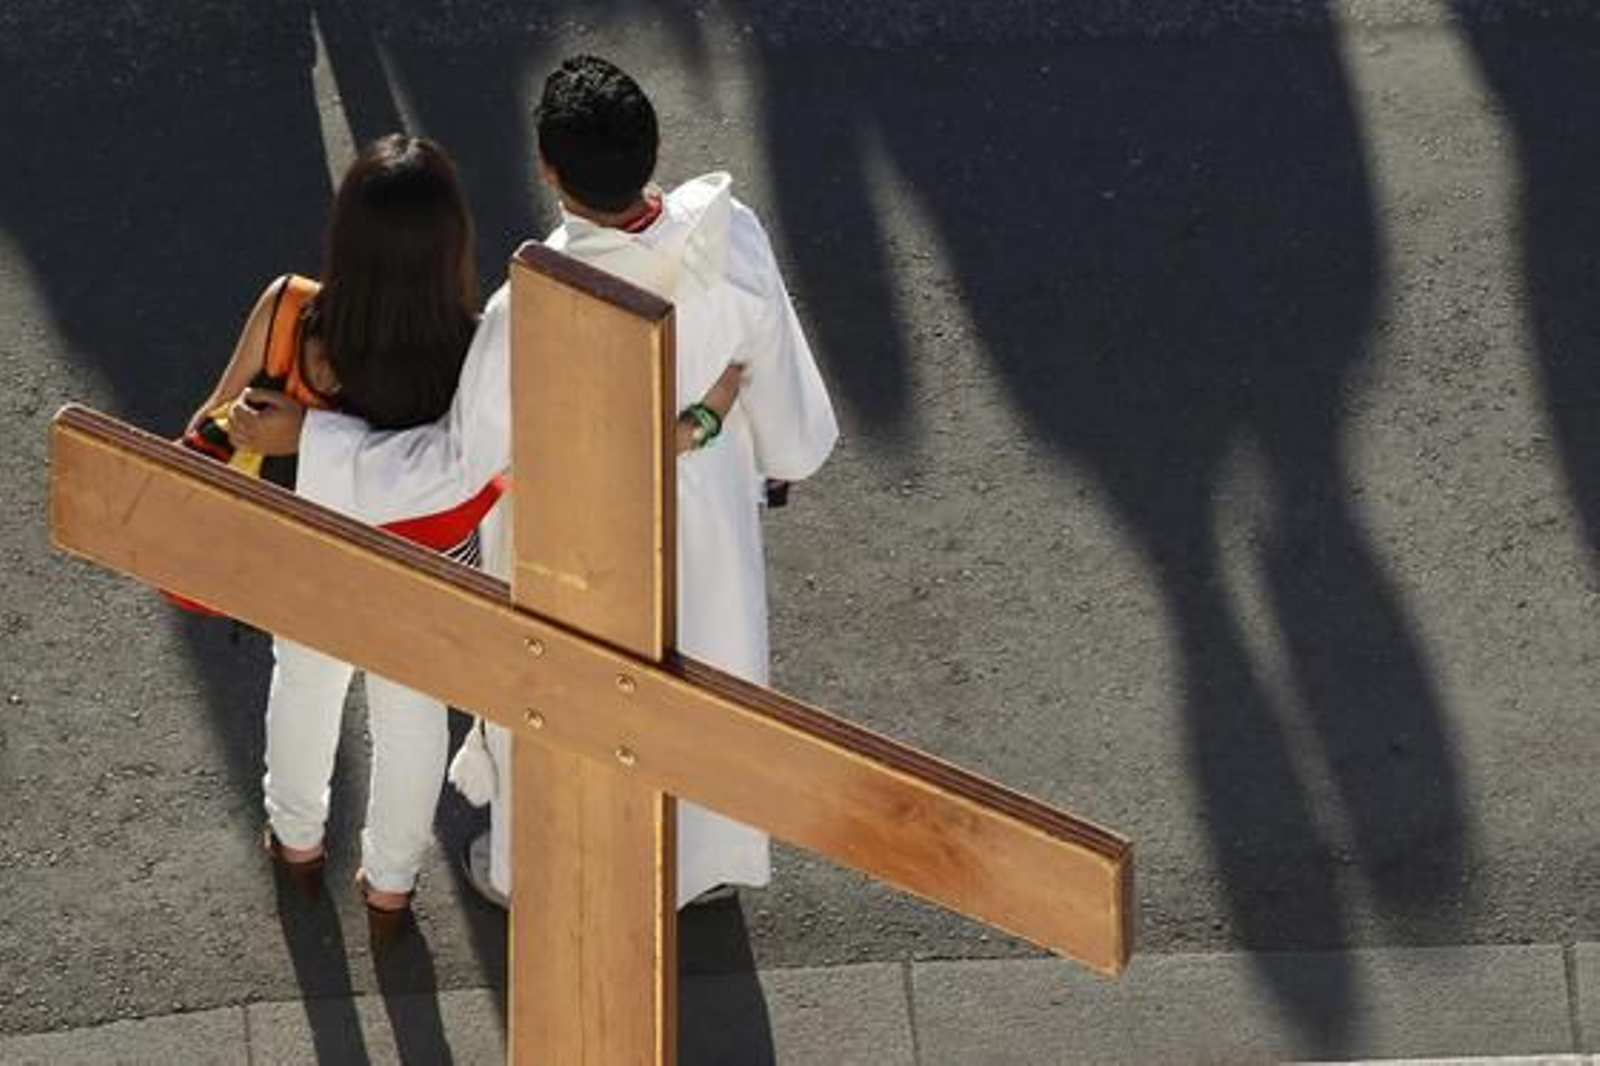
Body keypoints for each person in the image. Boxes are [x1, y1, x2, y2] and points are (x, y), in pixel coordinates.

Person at [232, 55, 839, 910]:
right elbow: (779, 389)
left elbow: (453, 464)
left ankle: (547, 873)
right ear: (653, 145)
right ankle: (697, 869)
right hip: (703, 509)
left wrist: (315, 439)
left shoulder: (536, 306)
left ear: (548, 170)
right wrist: (753, 450)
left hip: (575, 532)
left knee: (570, 704)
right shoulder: (729, 232)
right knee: (706, 677)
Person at [201, 133, 500, 922]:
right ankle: (392, 886)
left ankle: (297, 842)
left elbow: (208, 430)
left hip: (315, 552)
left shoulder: (291, 314)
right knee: (413, 720)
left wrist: (262, 429)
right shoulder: (473, 349)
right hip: (430, 568)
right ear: (451, 245)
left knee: (303, 687)